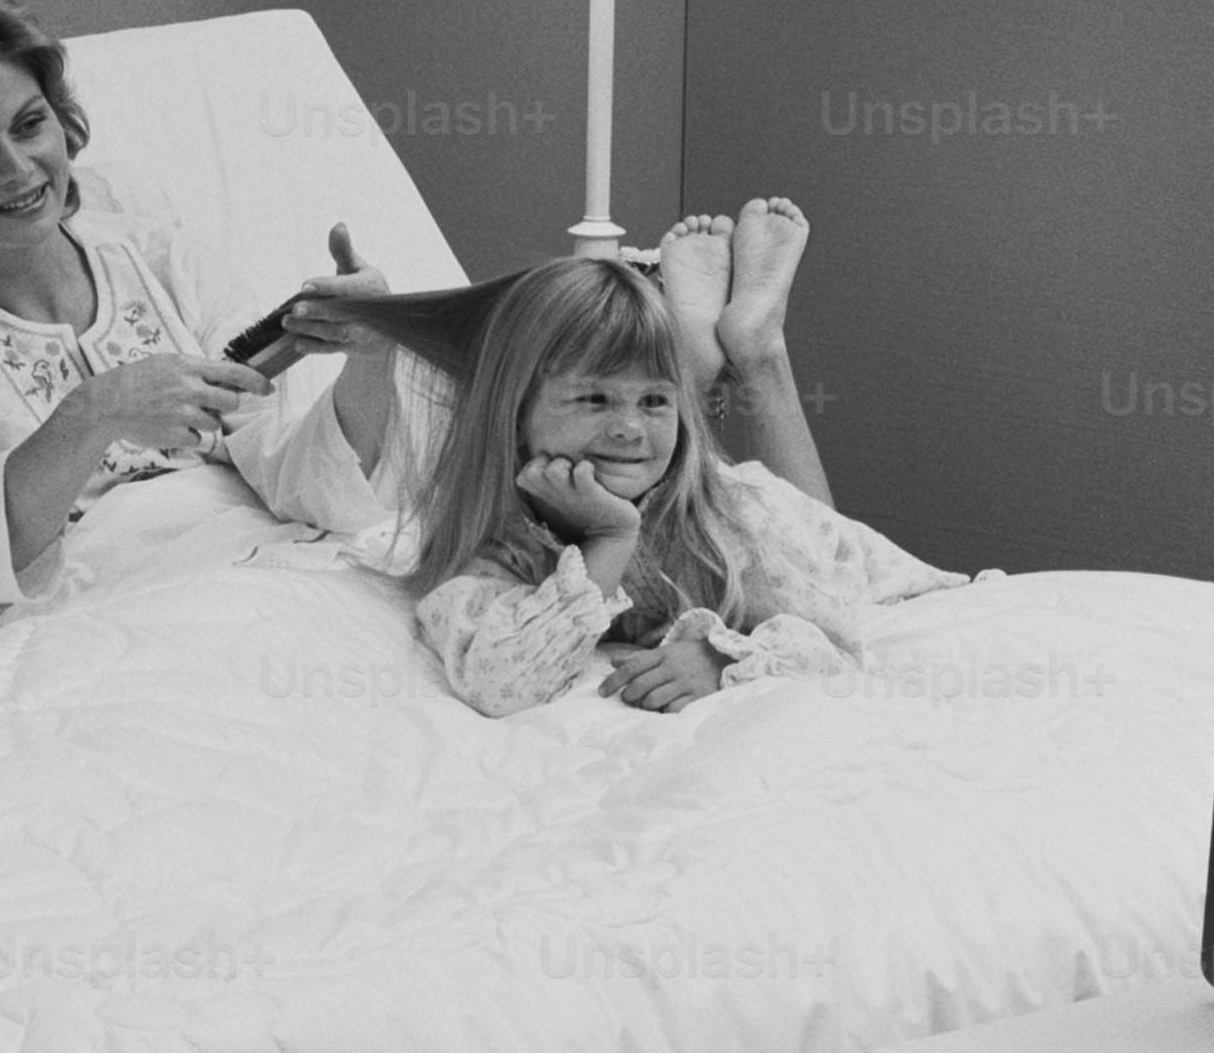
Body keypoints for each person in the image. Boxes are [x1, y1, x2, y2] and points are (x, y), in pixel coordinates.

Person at [0, 0, 406, 631]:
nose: (17, 169)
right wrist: (98, 410)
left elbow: (305, 486)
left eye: (28, 124)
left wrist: (373, 354)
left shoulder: (163, 261)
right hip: (96, 637)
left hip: (271, 582)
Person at [403, 254, 958, 717]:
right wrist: (611, 538)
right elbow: (505, 685)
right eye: (594, 399)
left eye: (655, 400)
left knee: (819, 535)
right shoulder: (501, 540)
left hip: (816, 548)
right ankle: (714, 337)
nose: (629, 428)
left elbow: (834, 641)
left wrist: (724, 656)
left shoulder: (733, 521)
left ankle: (755, 346)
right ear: (517, 415)